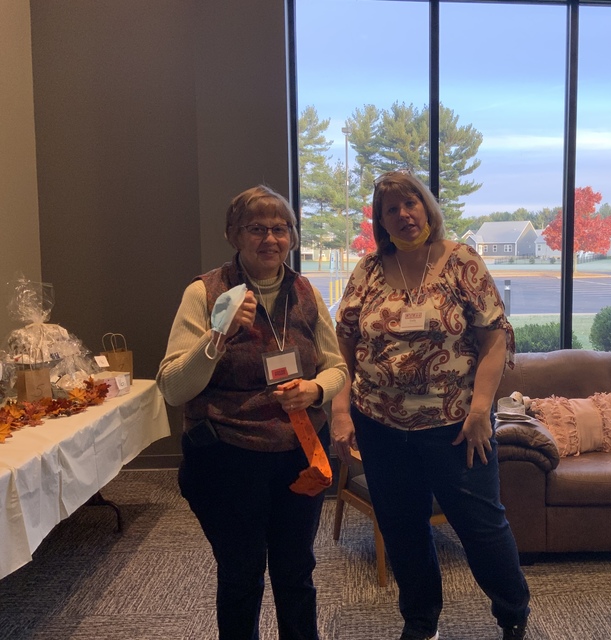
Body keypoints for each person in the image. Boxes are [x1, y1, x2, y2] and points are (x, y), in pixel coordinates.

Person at [330, 170, 530, 640]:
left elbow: (495, 338)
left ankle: (512, 613)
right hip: (380, 425)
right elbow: (343, 343)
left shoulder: (461, 262)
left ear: (427, 207)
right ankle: (421, 622)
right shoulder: (368, 270)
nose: (404, 215)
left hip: (457, 426)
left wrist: (480, 411)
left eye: (411, 203)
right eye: (391, 209)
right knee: (402, 528)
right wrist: (340, 411)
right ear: (381, 220)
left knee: (481, 526)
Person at [157, 185, 347, 640]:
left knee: (296, 571)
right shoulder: (205, 292)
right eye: (256, 228)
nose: (270, 239)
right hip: (228, 456)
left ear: (293, 237)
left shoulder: (305, 291)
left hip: (299, 455)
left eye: (281, 229)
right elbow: (173, 387)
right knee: (241, 575)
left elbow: (337, 367)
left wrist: (316, 390)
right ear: (233, 235)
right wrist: (216, 337)